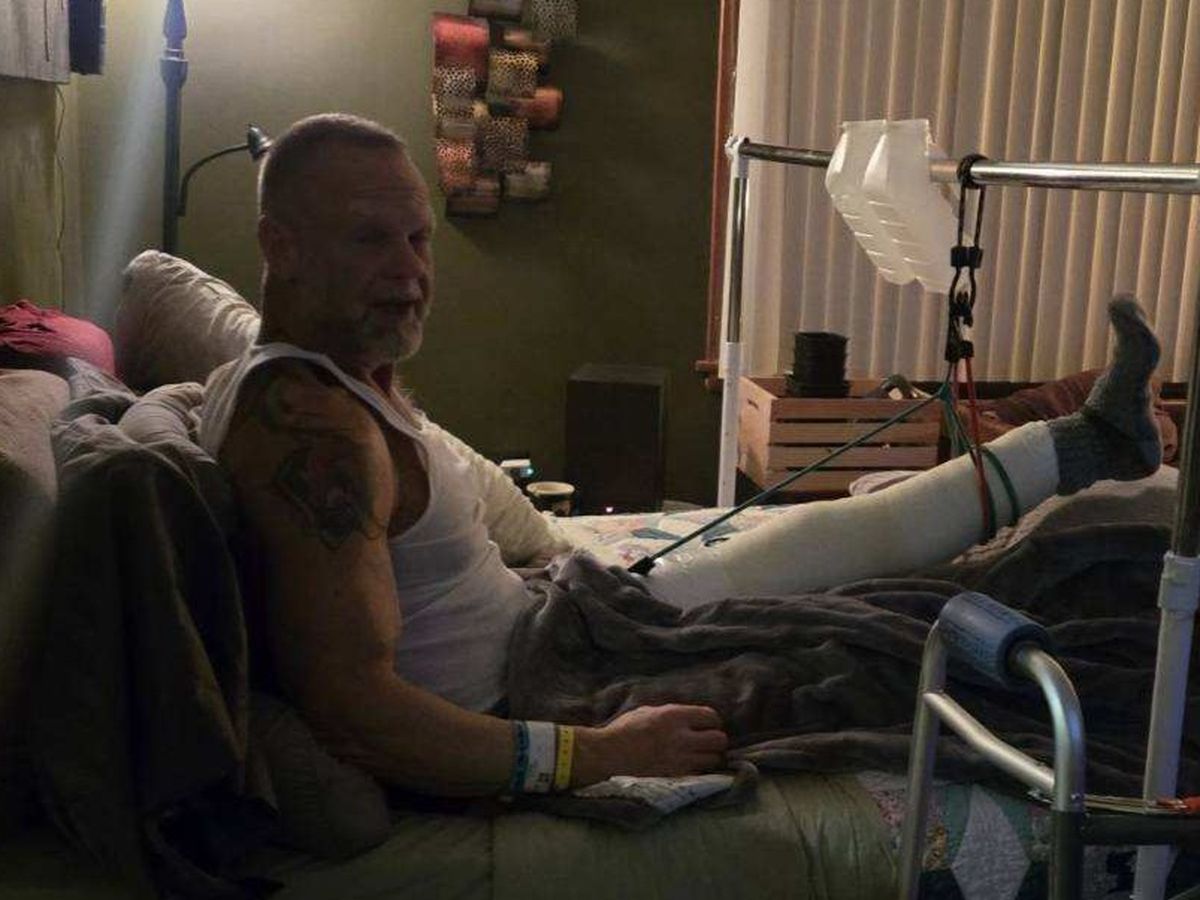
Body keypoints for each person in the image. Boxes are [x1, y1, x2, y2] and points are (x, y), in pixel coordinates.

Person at [199, 113, 1162, 800]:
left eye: (417, 238)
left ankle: (1083, 442)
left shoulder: (323, 377)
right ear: (280, 246)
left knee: (825, 545)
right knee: (889, 637)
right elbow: (354, 710)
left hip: (565, 621)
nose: (410, 271)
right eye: (371, 240)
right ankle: (1093, 481)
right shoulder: (308, 431)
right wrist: (594, 754)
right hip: (551, 687)